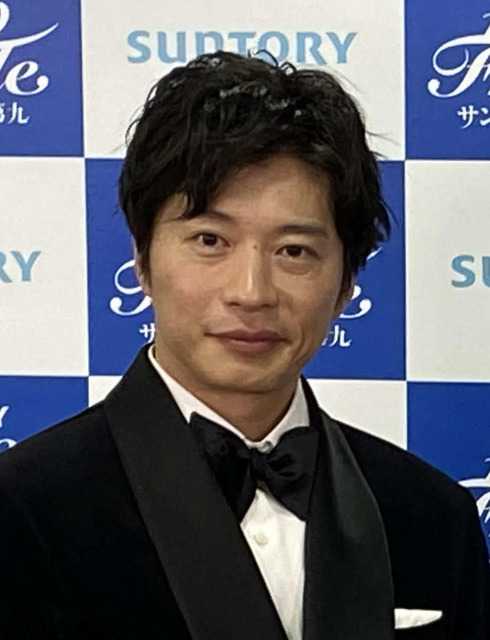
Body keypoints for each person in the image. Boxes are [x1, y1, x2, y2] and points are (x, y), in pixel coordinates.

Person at [1, 51, 488, 640]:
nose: (252, 292)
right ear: (142, 259)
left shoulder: (433, 516)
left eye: (294, 251)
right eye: (211, 240)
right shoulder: (22, 509)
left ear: (346, 283)